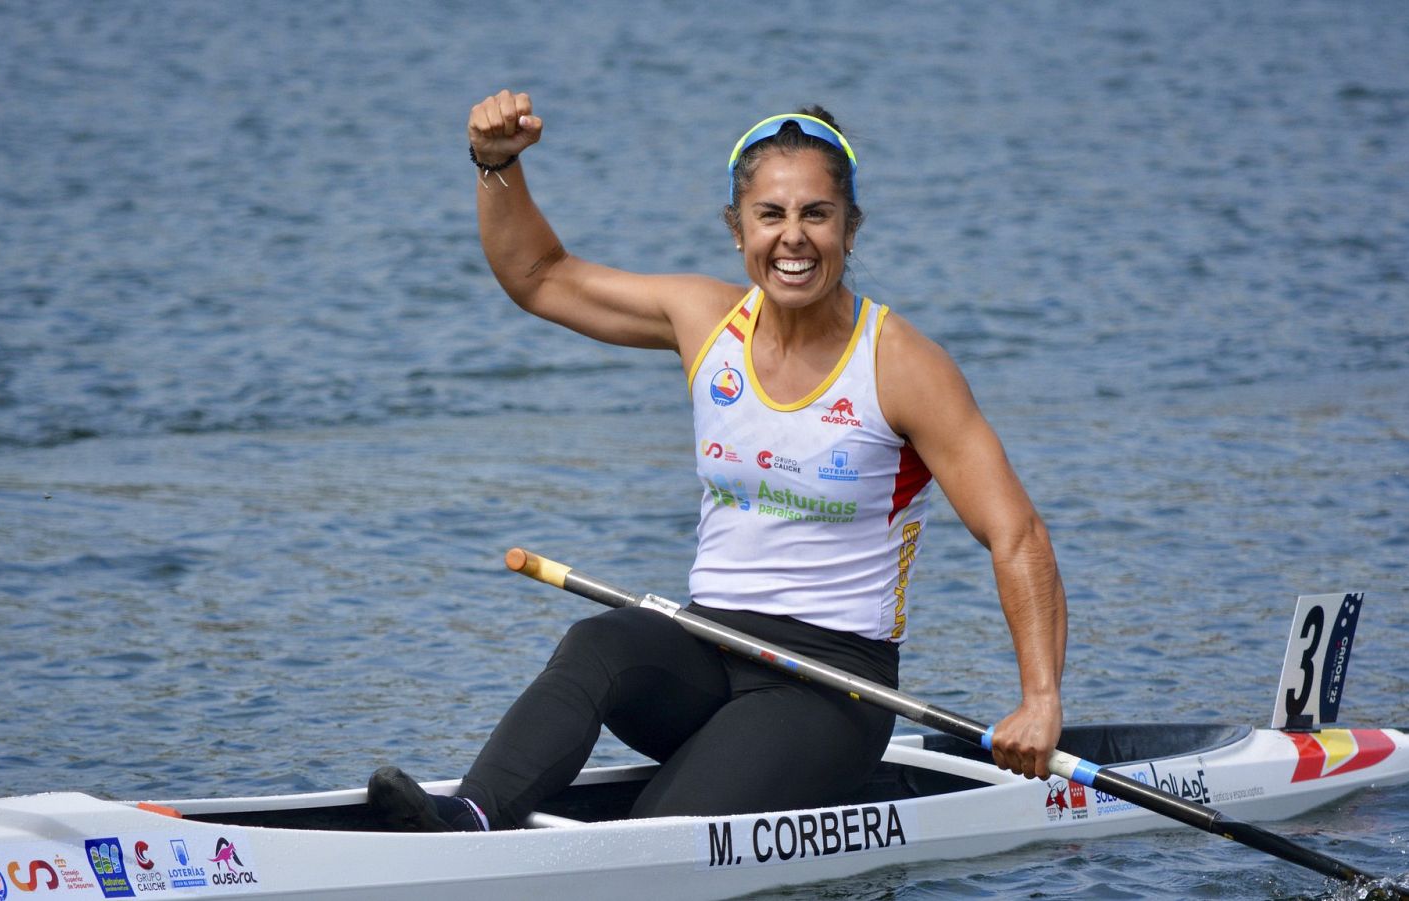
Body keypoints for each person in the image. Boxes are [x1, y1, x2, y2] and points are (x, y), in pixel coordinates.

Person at [366, 89, 1068, 832]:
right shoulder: (705, 320)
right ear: (738, 230)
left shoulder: (902, 366)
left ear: (850, 227)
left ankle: (662, 827)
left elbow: (1016, 534)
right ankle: (473, 817)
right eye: (771, 215)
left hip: (832, 685)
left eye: (816, 214)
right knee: (599, 643)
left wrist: (1040, 701)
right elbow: (538, 275)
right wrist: (496, 165)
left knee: (663, 828)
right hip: (706, 645)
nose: (793, 238)